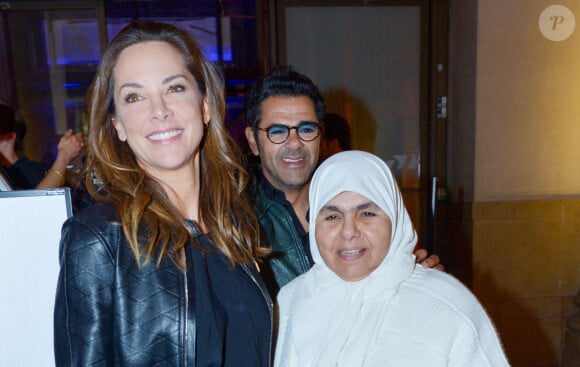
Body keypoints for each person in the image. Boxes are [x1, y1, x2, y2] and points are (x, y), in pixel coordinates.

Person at [53, 21, 272, 366]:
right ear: (118, 125)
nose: (159, 111)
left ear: (205, 106)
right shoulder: (97, 239)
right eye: (134, 97)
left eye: (174, 88)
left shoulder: (234, 225)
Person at [274, 150, 509, 366]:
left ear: (395, 220)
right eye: (332, 217)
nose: (348, 231)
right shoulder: (292, 300)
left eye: (367, 213)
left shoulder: (445, 307)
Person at [244, 65, 442, 293]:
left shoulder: (358, 195)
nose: (295, 143)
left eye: (306, 129)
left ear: (321, 134)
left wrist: (420, 283)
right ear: (252, 140)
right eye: (277, 131)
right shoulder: (235, 221)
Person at [0, 103, 84, 189]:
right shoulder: (4, 174)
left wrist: (64, 156)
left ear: (11, 136)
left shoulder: (31, 172)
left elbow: (38, 201)